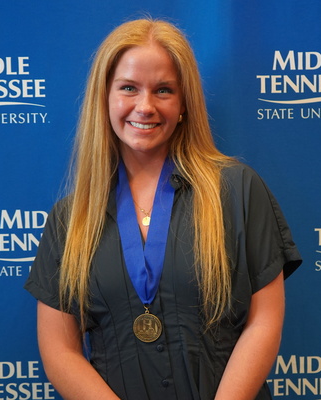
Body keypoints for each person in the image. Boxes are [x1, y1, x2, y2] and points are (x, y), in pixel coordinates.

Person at [24, 18, 302, 400]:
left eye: (164, 90)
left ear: (184, 102)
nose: (145, 106)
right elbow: (60, 351)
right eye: (128, 88)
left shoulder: (237, 189)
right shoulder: (69, 220)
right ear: (104, 97)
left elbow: (264, 322)